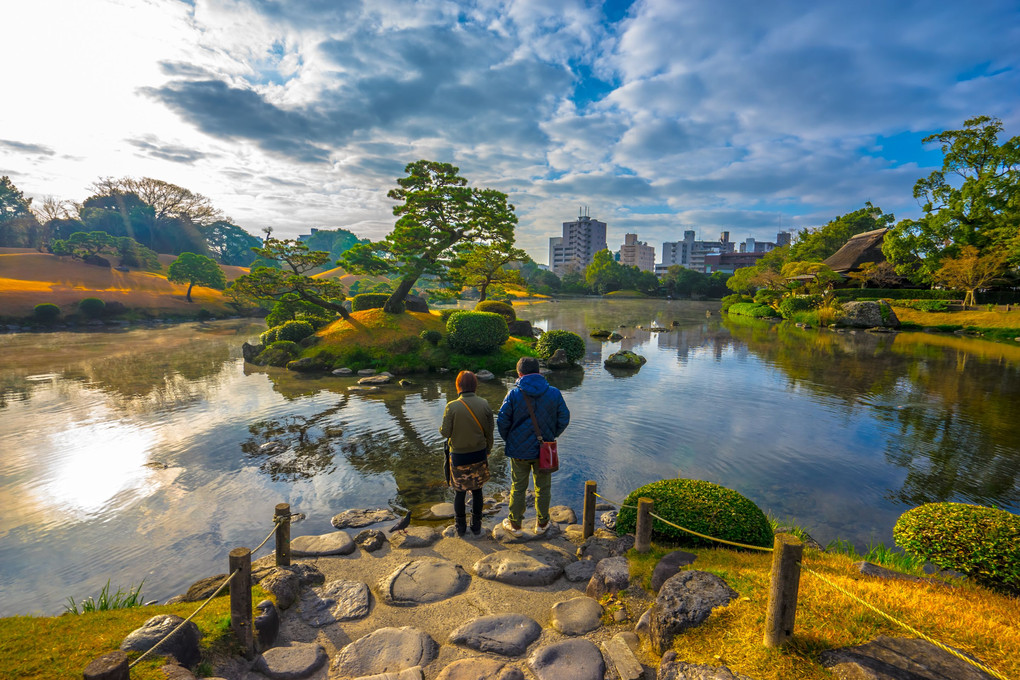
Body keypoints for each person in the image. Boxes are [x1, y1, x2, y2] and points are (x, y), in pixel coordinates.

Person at [496, 356, 570, 537]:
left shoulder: (513, 394)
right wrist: (551, 436)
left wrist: (511, 439)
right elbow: (564, 418)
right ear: (539, 372)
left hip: (519, 451)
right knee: (543, 487)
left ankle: (515, 525)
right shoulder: (554, 392)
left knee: (518, 487)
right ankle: (542, 523)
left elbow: (502, 421)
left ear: (519, 374)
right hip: (544, 449)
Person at [440, 370, 494, 536]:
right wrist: (488, 451)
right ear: (475, 385)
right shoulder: (484, 403)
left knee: (460, 492)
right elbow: (489, 431)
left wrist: (441, 428)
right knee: (477, 491)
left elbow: (445, 433)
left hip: (459, 456)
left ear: (458, 385)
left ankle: (460, 526)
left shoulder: (452, 406)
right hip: (479, 454)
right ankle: (476, 525)